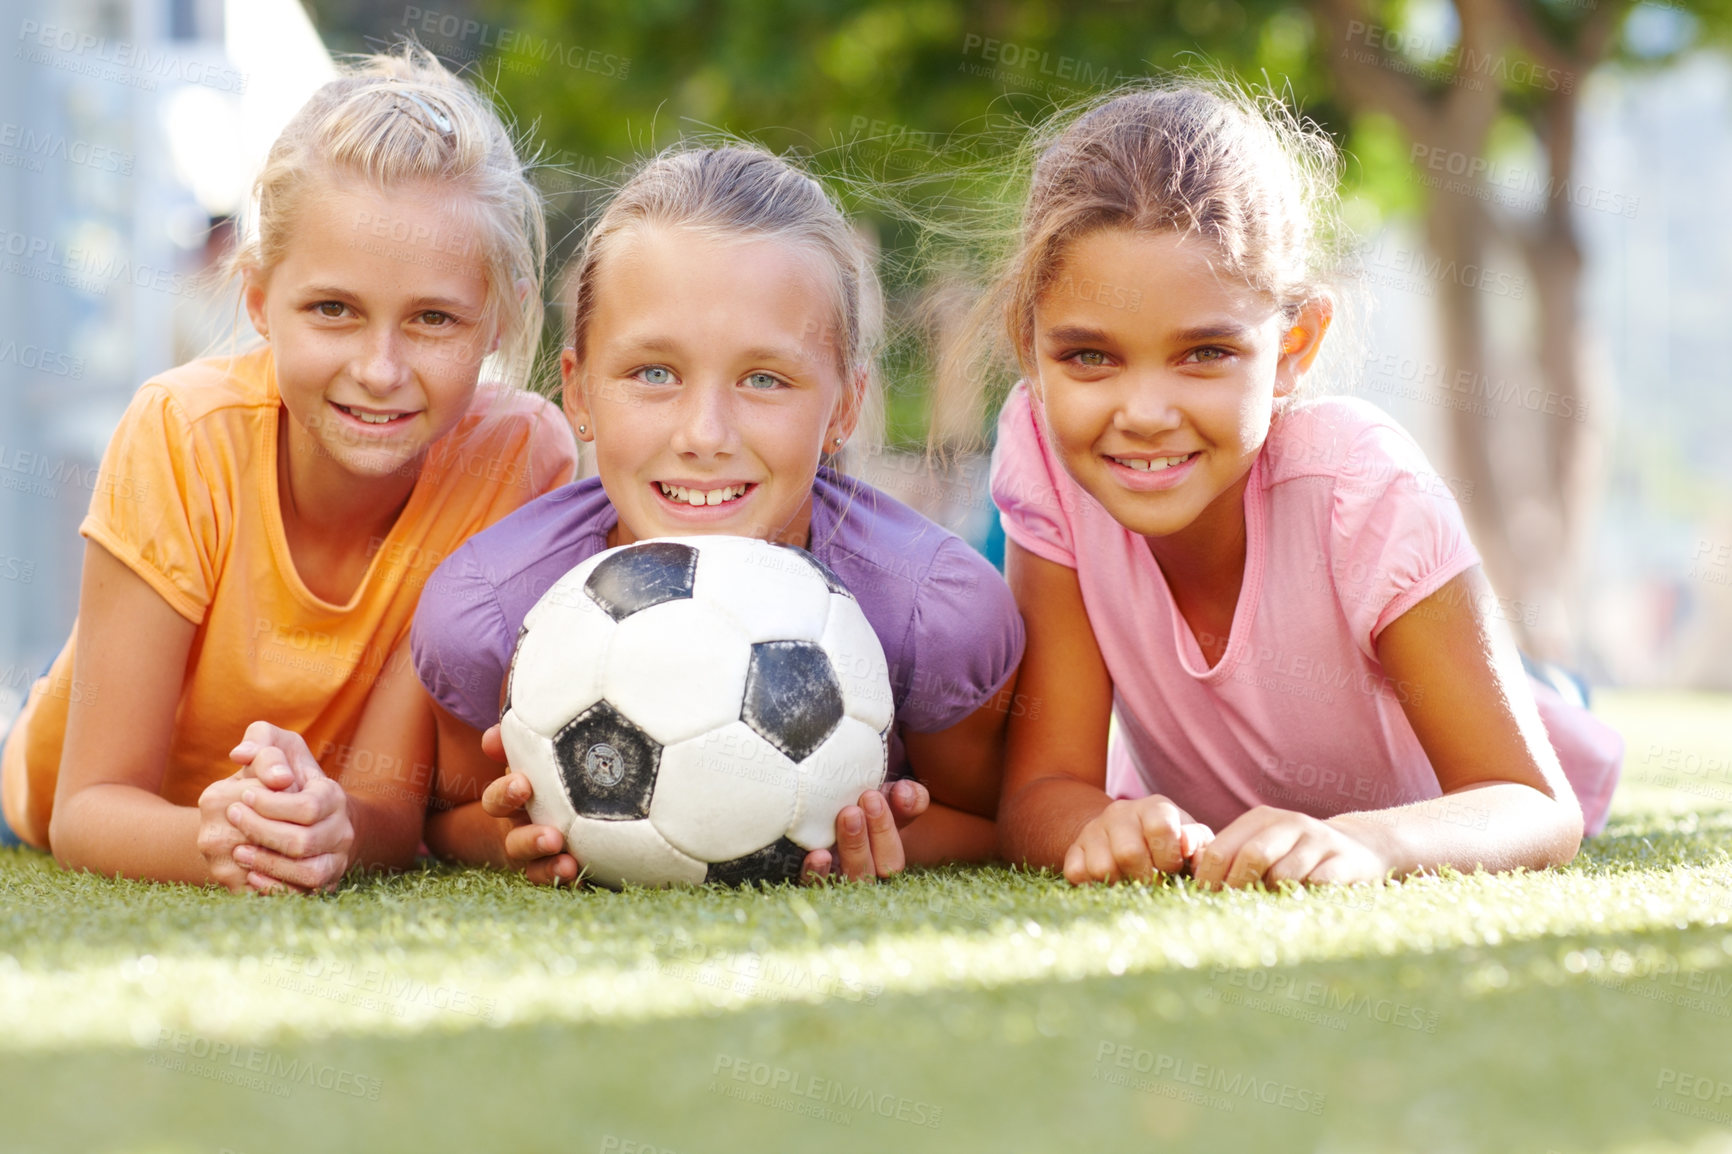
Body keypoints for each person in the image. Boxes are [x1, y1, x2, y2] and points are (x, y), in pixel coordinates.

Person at [987, 83, 1623, 888]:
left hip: (1480, 769)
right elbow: (1041, 791)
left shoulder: (1359, 485)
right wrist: (1103, 824)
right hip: (1237, 812)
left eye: (1206, 353)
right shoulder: (1045, 453)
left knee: (1536, 707)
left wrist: (1369, 843)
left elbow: (1532, 800)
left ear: (1294, 344)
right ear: (1029, 345)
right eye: (1088, 357)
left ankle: (1548, 691)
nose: (1144, 414)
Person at [0, 47, 577, 890]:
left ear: (499, 321)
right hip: (40, 819)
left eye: (433, 319)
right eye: (332, 310)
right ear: (260, 300)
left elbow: (386, 814)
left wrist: (327, 829)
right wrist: (224, 838)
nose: (380, 369)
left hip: (296, 817)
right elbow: (84, 810)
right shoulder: (182, 433)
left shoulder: (519, 459)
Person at [411, 144, 1025, 884]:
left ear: (847, 405)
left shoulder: (934, 616)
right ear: (577, 393)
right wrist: (516, 831)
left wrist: (864, 844)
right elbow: (445, 819)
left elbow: (994, 822)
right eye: (654, 373)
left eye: (764, 379)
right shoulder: (491, 611)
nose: (704, 434)